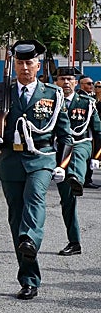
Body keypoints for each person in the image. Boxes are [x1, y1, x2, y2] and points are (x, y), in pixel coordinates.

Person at [0, 40, 70, 300]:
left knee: (34, 199)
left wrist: (62, 164)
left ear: (38, 65)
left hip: (41, 158)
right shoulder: (3, 92)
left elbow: (64, 135)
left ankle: (30, 238)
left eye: (29, 62)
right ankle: (29, 278)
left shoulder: (52, 94)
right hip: (10, 159)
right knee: (16, 217)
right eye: (20, 62)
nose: (24, 67)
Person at [53, 66, 97, 256]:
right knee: (67, 201)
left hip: (81, 143)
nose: (66, 82)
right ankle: (74, 242)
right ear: (56, 82)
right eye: (62, 79)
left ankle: (76, 178)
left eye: (70, 79)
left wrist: (97, 157)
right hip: (58, 149)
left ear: (76, 82)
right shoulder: (50, 100)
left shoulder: (87, 102)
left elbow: (98, 131)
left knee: (76, 155)